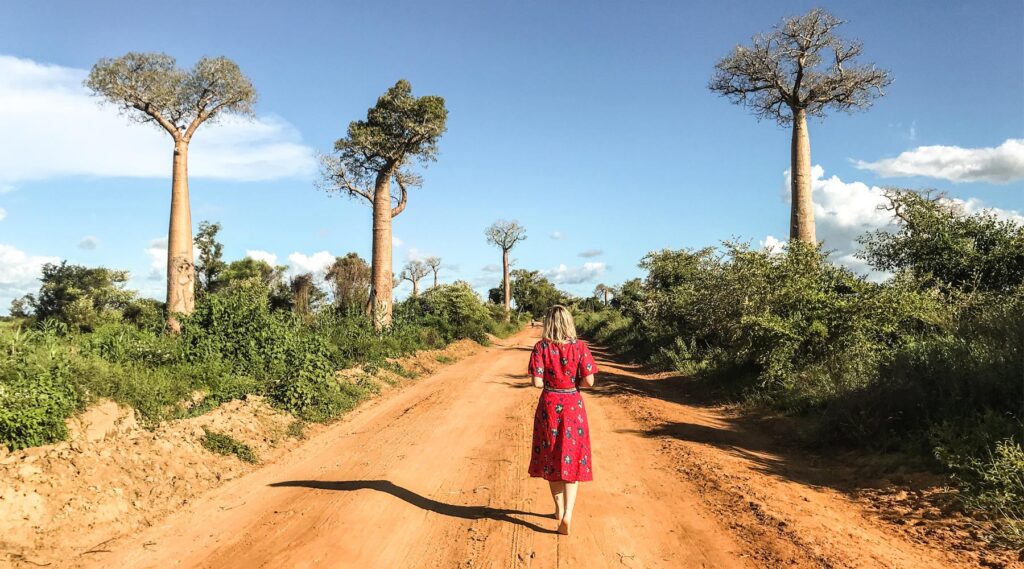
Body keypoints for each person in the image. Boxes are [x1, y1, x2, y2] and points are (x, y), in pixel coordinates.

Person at [526, 305, 598, 535]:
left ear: (548, 323)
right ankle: (568, 514)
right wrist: (574, 384)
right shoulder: (580, 347)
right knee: (572, 458)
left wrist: (550, 382)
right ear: (569, 322)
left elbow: (536, 383)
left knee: (551, 457)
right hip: (572, 405)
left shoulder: (541, 347)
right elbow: (590, 381)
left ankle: (557, 510)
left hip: (549, 405)